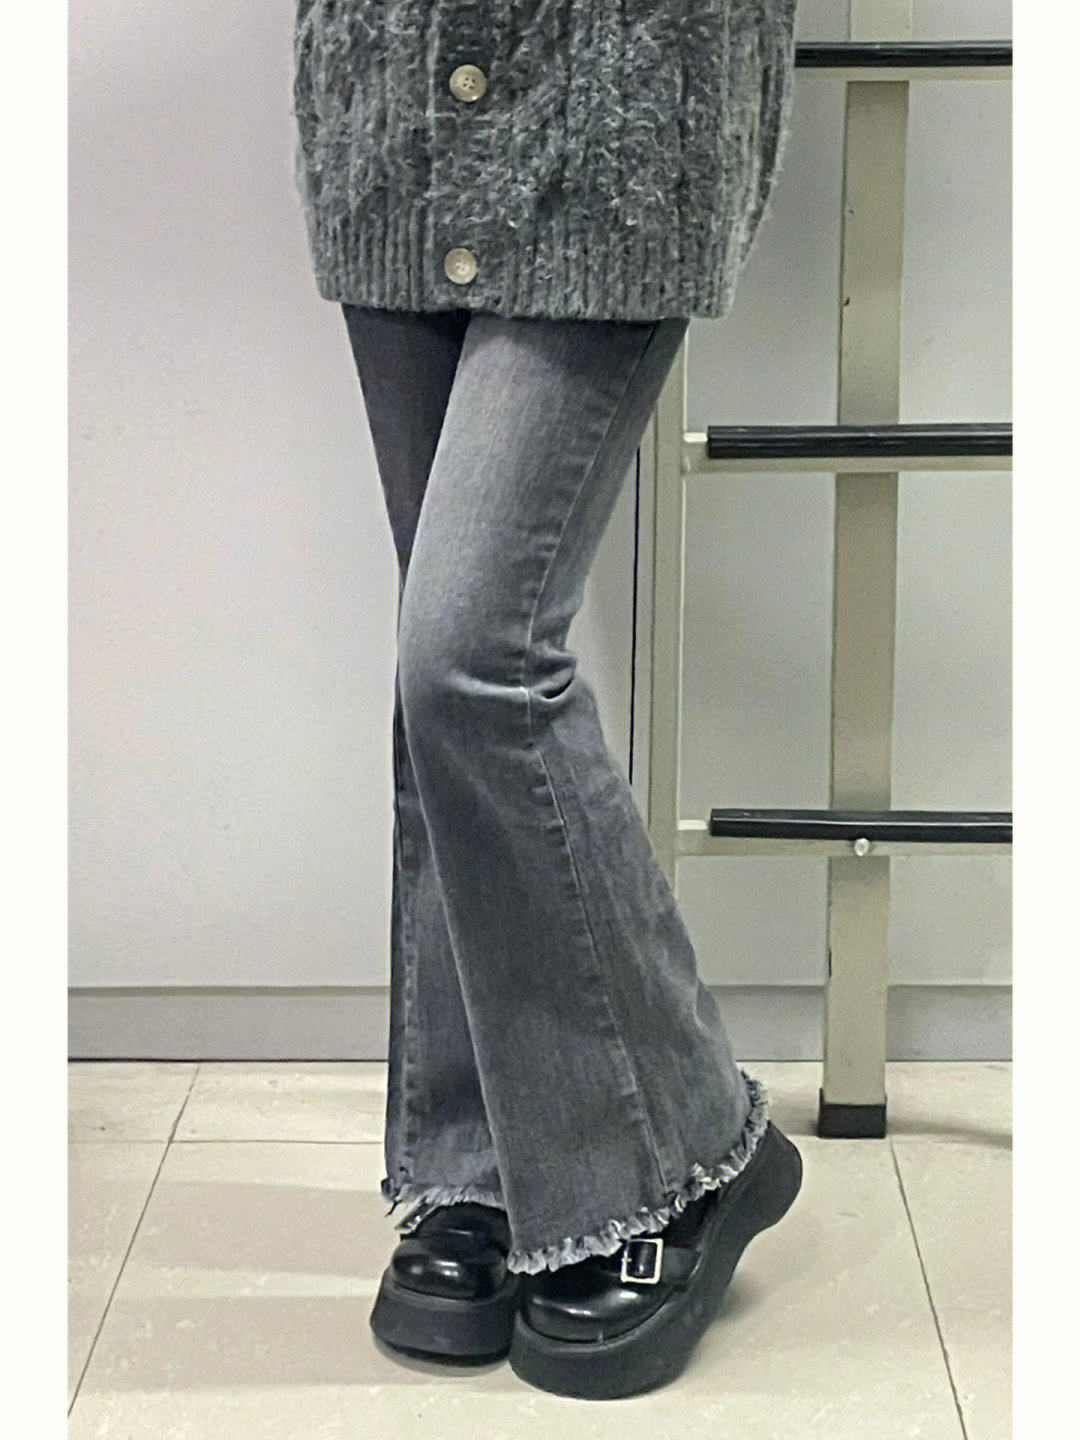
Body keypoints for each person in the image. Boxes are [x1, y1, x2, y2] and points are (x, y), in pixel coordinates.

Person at [291, 0, 803, 1400]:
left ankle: (683, 1146)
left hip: (617, 102)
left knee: (472, 657)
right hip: (394, 96)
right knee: (441, 682)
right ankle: (481, 1161)